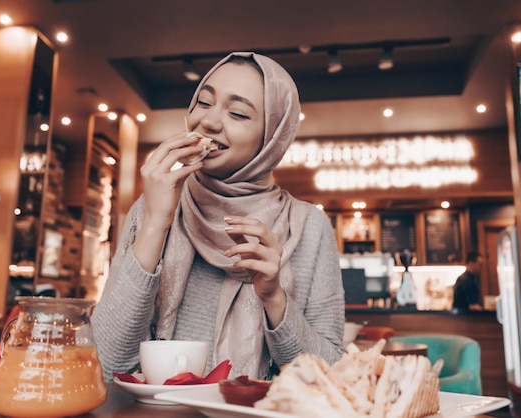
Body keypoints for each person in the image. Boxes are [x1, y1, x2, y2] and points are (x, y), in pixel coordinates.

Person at [92, 52, 345, 382]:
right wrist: (155, 223)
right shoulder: (154, 205)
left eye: (238, 113)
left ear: (271, 137)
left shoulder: (310, 226)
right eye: (204, 102)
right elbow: (104, 364)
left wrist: (274, 298)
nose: (208, 122)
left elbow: (332, 376)